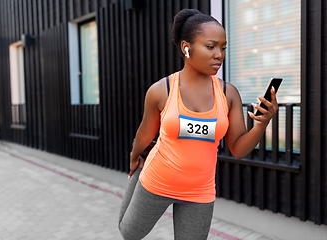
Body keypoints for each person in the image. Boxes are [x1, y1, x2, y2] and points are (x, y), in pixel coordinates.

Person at [118, 9, 279, 240]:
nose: (219, 55)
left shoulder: (228, 93)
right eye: (211, 46)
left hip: (199, 192)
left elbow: (238, 149)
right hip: (157, 181)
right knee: (128, 233)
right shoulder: (160, 90)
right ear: (186, 48)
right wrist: (135, 157)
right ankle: (142, 172)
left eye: (223, 48)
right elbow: (145, 132)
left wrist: (261, 125)